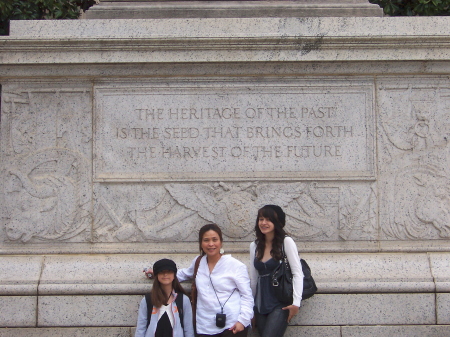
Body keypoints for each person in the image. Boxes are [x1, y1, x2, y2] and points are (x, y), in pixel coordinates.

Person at [145, 224, 254, 336]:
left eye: (214, 240)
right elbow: (183, 274)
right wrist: (158, 273)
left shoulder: (236, 265)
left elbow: (247, 295)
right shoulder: (199, 262)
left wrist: (243, 321)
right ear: (201, 244)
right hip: (203, 325)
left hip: (231, 325)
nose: (211, 244)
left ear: (220, 242)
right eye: (206, 240)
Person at [249, 205, 304, 337]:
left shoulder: (286, 242)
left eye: (268, 219)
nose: (263, 223)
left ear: (277, 222)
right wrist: (250, 306)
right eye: (261, 219)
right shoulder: (254, 246)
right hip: (260, 304)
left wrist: (296, 303)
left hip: (280, 302)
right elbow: (253, 279)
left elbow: (298, 273)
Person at [136, 258, 195, 337]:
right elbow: (141, 328)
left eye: (169, 272)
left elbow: (188, 329)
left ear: (174, 275)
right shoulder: (148, 300)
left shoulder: (183, 300)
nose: (165, 275)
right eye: (161, 272)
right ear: (156, 276)